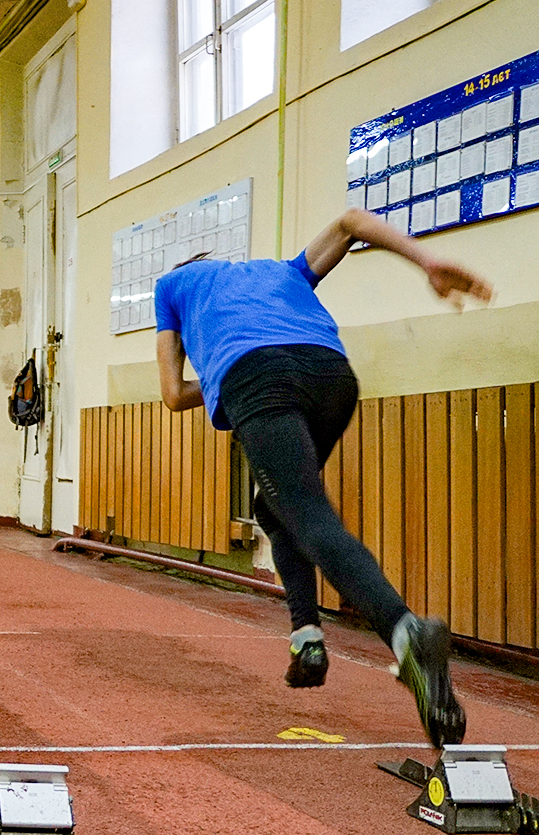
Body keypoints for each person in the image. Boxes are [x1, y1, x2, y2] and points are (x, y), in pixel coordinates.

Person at [155, 208, 490, 750]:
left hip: (258, 380)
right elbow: (353, 221)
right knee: (277, 507)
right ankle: (306, 635)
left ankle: (407, 632)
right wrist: (428, 261)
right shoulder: (280, 271)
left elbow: (172, 395)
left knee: (309, 516)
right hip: (332, 375)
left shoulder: (171, 285)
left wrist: (220, 375)